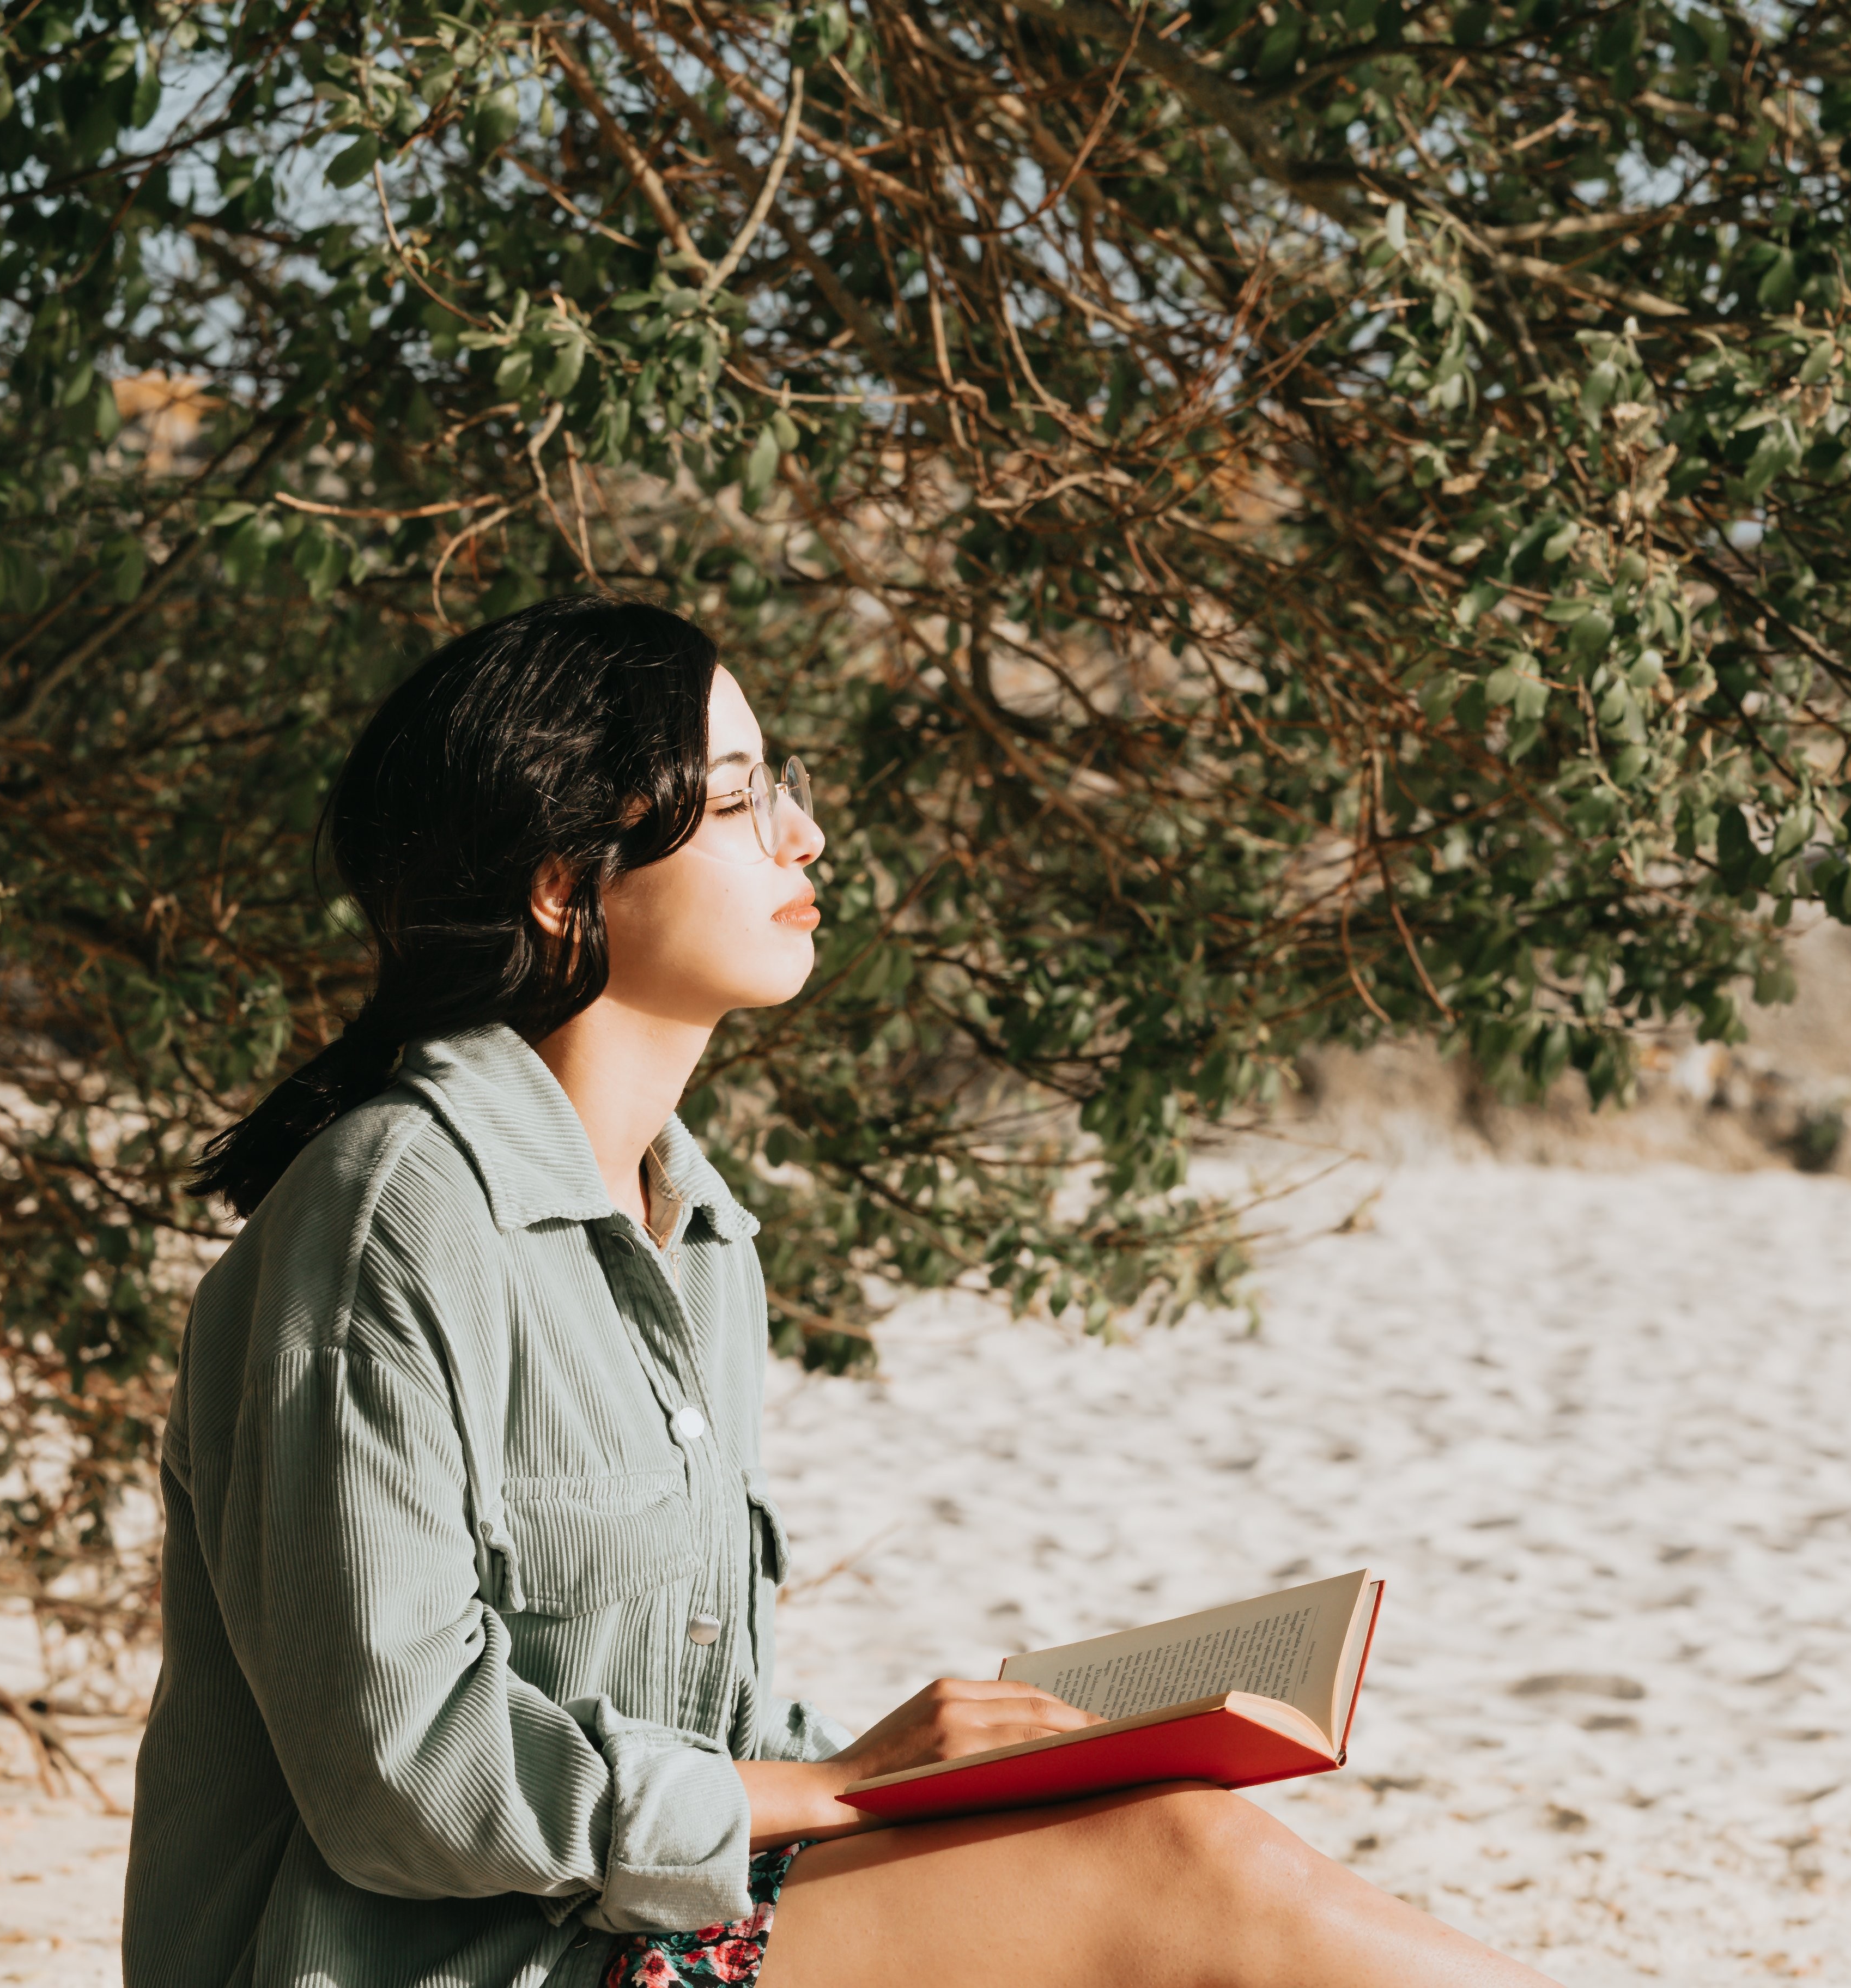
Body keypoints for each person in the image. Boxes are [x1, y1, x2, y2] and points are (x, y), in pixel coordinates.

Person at [124, 596, 1565, 1988]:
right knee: (1178, 1869)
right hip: (449, 1960)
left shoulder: (698, 1236)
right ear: (567, 884)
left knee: (1136, 1830)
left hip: (629, 1921)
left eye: (784, 787)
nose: (804, 834)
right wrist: (828, 1787)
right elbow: (404, 1774)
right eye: (743, 795)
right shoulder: (393, 1211)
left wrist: (934, 1765)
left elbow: (691, 1722)